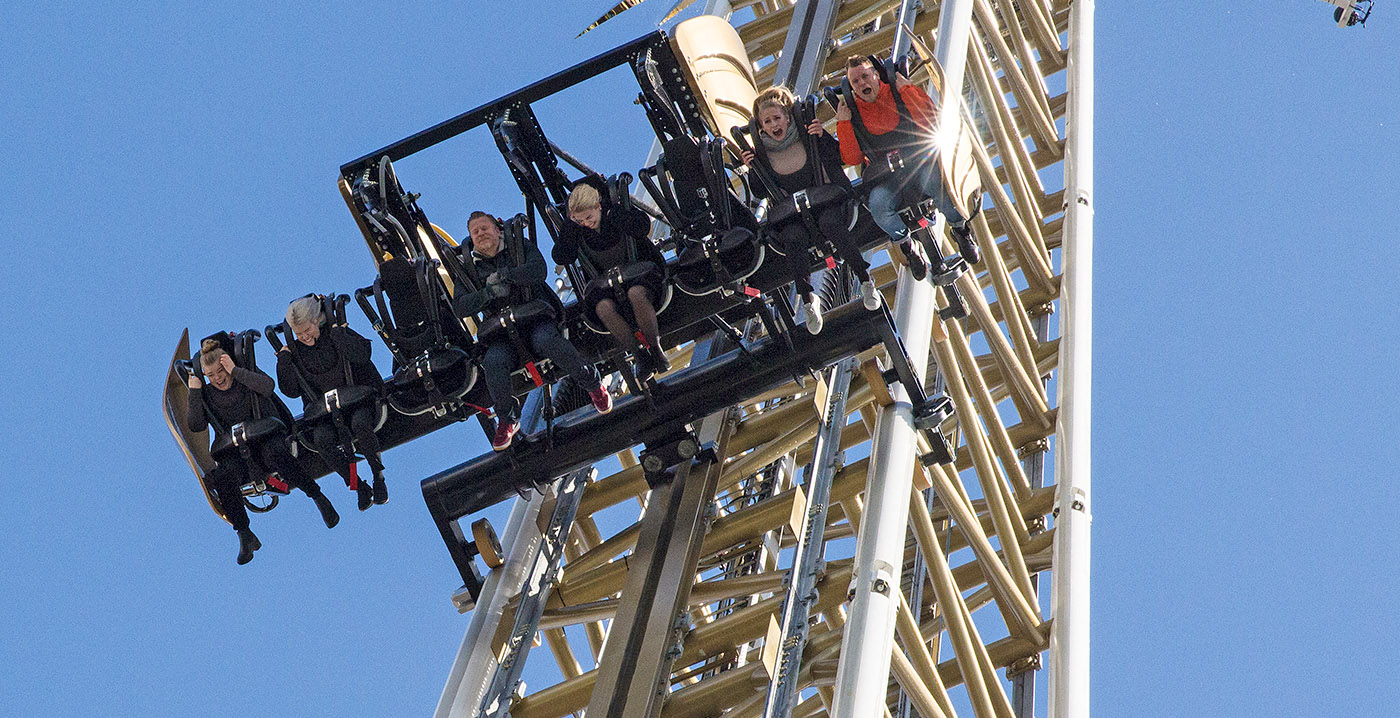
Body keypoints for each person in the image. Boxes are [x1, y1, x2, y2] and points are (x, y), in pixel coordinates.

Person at [455, 210, 612, 451]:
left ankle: (592, 385)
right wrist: (487, 294)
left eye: (484, 228)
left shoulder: (519, 246)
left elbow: (539, 271)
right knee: (494, 362)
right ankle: (507, 419)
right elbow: (460, 306)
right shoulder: (470, 268)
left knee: (548, 341)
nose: (480, 234)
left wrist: (507, 276)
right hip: (502, 334)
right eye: (475, 232)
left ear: (497, 230)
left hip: (535, 320)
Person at [738, 86, 881, 334]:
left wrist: (822, 136)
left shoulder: (807, 135)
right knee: (793, 237)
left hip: (824, 203)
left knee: (830, 224)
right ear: (761, 126)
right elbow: (760, 191)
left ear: (788, 117)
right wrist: (752, 167)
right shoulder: (762, 151)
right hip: (792, 214)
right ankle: (807, 299)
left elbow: (839, 157)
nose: (774, 125)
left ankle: (865, 279)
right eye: (768, 121)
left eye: (777, 118)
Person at [188, 336, 339, 565]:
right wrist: (195, 392)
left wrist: (236, 371)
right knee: (223, 477)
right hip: (237, 454)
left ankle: (318, 497)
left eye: (220, 371)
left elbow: (268, 387)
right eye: (211, 375)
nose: (217, 378)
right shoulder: (207, 394)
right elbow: (196, 425)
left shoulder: (244, 376)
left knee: (275, 454)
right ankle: (245, 534)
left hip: (266, 441)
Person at [834, 56, 978, 280]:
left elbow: (930, 119)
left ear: (876, 75)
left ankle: (960, 230)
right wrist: (843, 124)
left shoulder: (897, 92)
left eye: (865, 76)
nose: (862, 84)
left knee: (935, 183)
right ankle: (907, 246)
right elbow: (852, 158)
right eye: (855, 82)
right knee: (878, 205)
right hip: (887, 175)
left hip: (917, 164)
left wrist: (908, 91)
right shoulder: (854, 113)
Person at [275, 296, 387, 511]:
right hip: (325, 414)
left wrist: (339, 335)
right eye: (299, 334)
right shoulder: (297, 350)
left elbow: (363, 356)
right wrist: (284, 362)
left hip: (358, 402)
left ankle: (378, 476)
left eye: (308, 330)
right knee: (322, 440)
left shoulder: (336, 332)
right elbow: (290, 391)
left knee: (360, 425)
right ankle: (357, 486)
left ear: (317, 320)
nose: (305, 337)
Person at [553, 178, 670, 378]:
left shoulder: (615, 212)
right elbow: (562, 256)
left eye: (589, 217)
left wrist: (618, 216)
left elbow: (641, 227)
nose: (587, 224)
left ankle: (655, 348)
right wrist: (570, 229)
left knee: (636, 294)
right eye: (581, 221)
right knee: (603, 308)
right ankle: (638, 355)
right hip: (605, 286)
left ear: (599, 206)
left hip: (639, 275)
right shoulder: (577, 229)